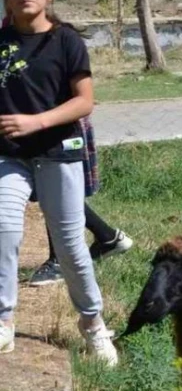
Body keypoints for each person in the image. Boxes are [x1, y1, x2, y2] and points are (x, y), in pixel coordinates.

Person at [0, 0, 117, 364]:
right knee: (4, 228)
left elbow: (85, 102)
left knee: (69, 247)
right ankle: (4, 321)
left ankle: (93, 325)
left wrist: (37, 122)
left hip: (58, 154)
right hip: (8, 158)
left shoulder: (65, 40)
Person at [29, 116, 133, 287]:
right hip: (37, 123)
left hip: (56, 127)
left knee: (53, 186)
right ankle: (107, 237)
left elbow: (81, 100)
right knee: (50, 189)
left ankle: (60, 261)